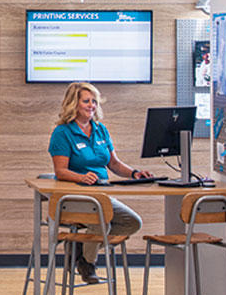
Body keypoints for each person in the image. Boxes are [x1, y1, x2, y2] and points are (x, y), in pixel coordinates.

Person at [48, 82, 153, 284]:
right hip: (73, 197)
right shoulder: (62, 133)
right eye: (86, 101)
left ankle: (78, 245)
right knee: (101, 219)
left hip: (100, 196)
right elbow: (60, 171)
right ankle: (87, 263)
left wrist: (135, 173)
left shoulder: (100, 130)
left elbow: (113, 163)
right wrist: (81, 177)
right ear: (74, 104)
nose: (91, 105)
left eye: (94, 101)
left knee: (132, 222)